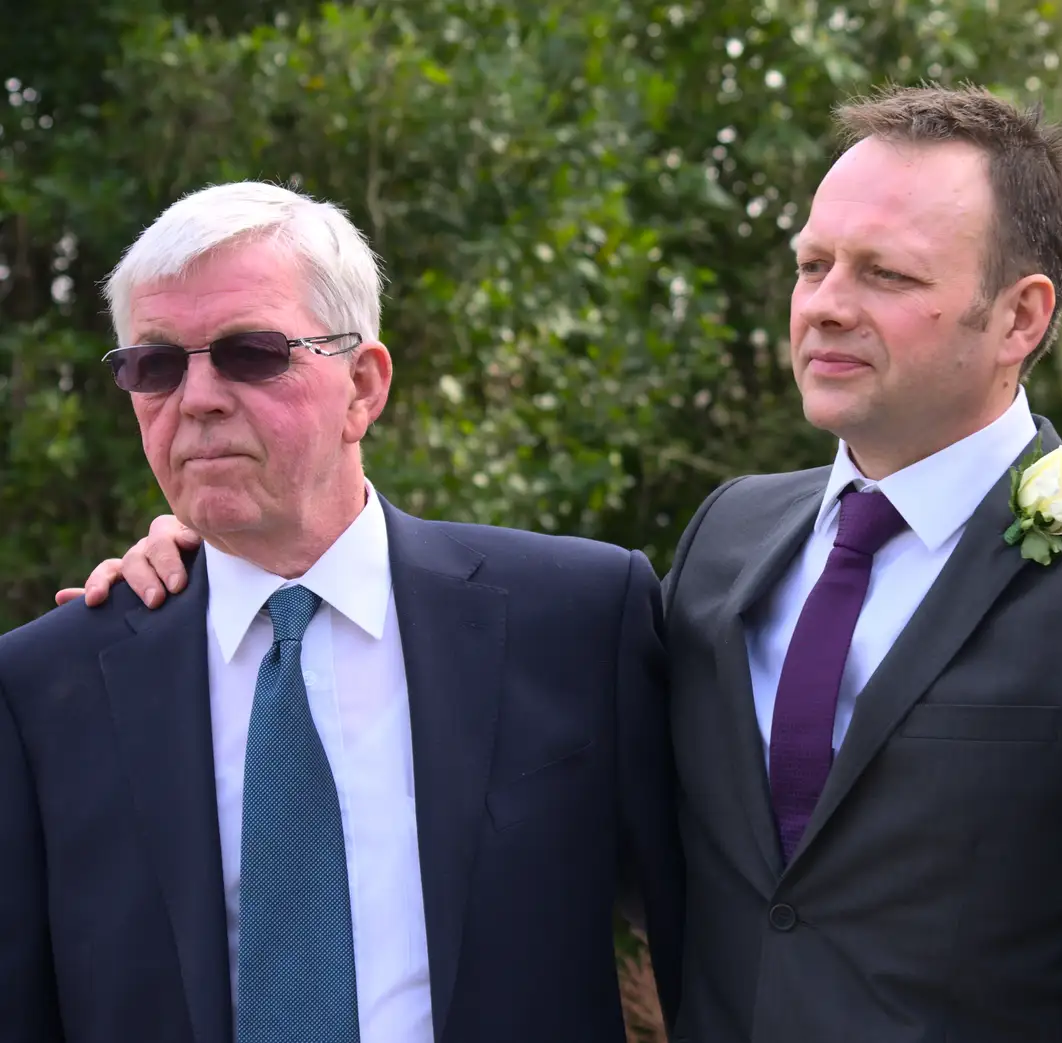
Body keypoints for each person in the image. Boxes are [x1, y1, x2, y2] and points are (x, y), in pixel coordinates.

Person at [67, 88, 1062, 1042]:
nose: (825, 306)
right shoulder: (730, 540)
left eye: (884, 275)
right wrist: (227, 560)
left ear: (1020, 317)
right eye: (812, 264)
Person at [7, 181, 682, 1043]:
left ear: (363, 385)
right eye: (156, 363)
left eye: (251, 352)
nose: (199, 396)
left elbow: (717, 943)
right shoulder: (46, 688)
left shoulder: (581, 619)